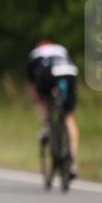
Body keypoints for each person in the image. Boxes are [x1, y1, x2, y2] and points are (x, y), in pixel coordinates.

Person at [26, 40, 79, 177]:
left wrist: (36, 100)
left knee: (41, 101)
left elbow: (32, 85)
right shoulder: (61, 49)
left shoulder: (35, 54)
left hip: (47, 72)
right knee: (68, 116)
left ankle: (46, 128)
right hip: (69, 72)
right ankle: (72, 163)